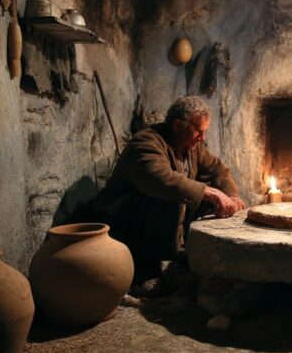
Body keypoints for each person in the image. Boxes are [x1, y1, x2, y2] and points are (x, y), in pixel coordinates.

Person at [91, 95, 245, 287]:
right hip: (126, 221)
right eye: (199, 131)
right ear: (178, 126)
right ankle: (147, 271)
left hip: (151, 219)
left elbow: (217, 169)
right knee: (174, 196)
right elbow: (162, 180)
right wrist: (212, 192)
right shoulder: (147, 142)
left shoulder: (191, 146)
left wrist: (230, 196)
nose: (202, 137)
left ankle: (181, 254)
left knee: (210, 199)